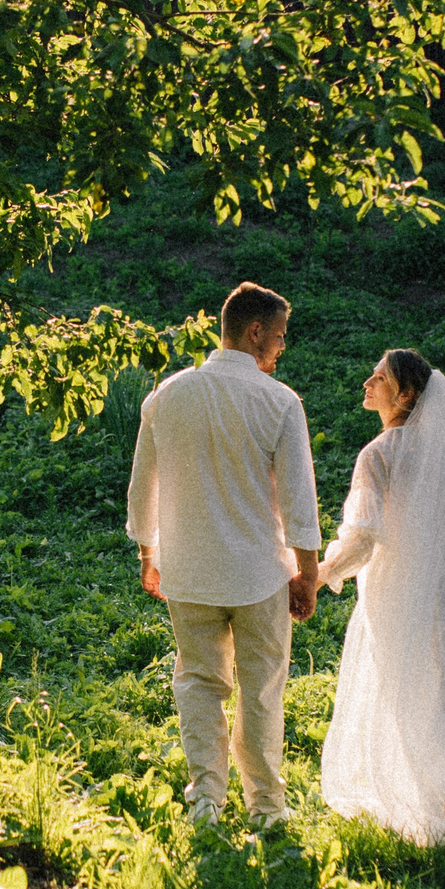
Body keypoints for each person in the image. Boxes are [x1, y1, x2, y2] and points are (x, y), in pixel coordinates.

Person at [125, 283, 321, 830]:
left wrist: (148, 551)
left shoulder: (167, 395)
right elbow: (299, 500)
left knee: (198, 684)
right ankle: (266, 806)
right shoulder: (280, 401)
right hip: (260, 574)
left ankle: (206, 801)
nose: (281, 347)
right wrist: (307, 574)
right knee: (261, 691)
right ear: (255, 332)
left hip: (189, 570)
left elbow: (143, 486)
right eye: (279, 336)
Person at [317, 349, 445, 842]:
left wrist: (320, 574)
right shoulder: (444, 447)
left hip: (395, 587)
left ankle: (418, 794)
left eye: (379, 378)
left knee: (402, 686)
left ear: (406, 395)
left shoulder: (377, 455)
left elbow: (363, 538)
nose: (367, 382)